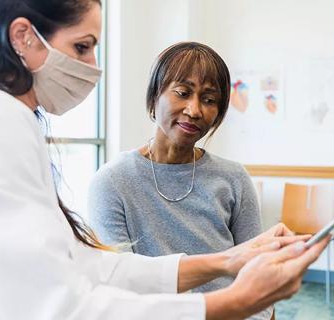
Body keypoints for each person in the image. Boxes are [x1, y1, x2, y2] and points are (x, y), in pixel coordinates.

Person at [0, 0, 329, 319]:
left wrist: (230, 260)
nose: (94, 66)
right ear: (23, 37)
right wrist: (232, 303)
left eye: (209, 99)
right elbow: (64, 308)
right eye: (82, 47)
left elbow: (89, 267)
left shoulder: (11, 120)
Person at [88, 41, 268, 319]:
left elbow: (256, 271)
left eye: (209, 100)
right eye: (182, 93)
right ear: (154, 97)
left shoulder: (233, 178)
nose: (194, 110)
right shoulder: (112, 181)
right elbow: (116, 282)